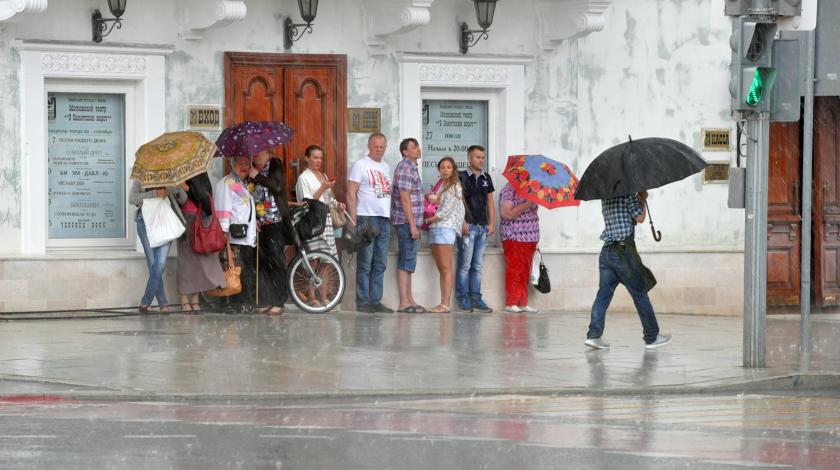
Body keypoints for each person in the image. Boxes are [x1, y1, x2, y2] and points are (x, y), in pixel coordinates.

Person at [585, 192, 672, 350]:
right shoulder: (628, 194)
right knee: (639, 292)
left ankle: (594, 335)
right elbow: (640, 218)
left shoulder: (606, 196)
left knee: (603, 295)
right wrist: (643, 200)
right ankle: (652, 337)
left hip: (606, 252)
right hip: (623, 253)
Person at [347, 133, 393, 313]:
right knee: (365, 261)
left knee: (380, 262)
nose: (379, 149)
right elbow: (351, 192)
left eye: (382, 146)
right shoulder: (360, 165)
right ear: (369, 146)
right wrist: (353, 217)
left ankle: (376, 301)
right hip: (366, 217)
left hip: (384, 218)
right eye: (375, 146)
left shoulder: (386, 166)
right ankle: (363, 300)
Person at [295, 144, 345, 307]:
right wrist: (323, 187)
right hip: (313, 222)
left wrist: (338, 205)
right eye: (315, 158)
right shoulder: (304, 177)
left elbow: (328, 198)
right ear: (307, 159)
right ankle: (312, 297)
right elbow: (306, 202)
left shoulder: (322, 174)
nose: (318, 161)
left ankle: (323, 297)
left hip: (326, 220)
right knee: (313, 260)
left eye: (320, 158)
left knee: (326, 260)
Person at [129, 181, 187, 314]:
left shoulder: (170, 177)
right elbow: (132, 199)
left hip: (165, 222)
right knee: (153, 263)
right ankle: (163, 303)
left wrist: (178, 187)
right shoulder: (141, 177)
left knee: (159, 264)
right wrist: (155, 193)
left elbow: (183, 199)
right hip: (145, 222)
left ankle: (145, 301)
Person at [250, 149, 293, 315]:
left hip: (275, 222)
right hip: (260, 224)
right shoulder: (252, 169)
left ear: (267, 152)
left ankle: (279, 301)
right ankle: (266, 300)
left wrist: (257, 177)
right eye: (254, 152)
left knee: (276, 261)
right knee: (263, 263)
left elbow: (277, 186)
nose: (255, 155)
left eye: (259, 152)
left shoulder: (274, 164)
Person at [176, 173, 226, 312]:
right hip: (184, 220)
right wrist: (180, 189)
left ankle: (196, 299)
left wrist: (188, 188)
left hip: (201, 220)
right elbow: (177, 200)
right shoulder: (177, 174)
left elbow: (205, 197)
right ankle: (184, 298)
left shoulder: (200, 172)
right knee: (185, 261)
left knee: (198, 262)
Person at [214, 156, 258, 313]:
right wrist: (223, 231)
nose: (244, 167)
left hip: (244, 236)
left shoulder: (239, 183)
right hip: (233, 236)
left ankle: (241, 302)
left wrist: (254, 222)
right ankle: (232, 303)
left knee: (240, 270)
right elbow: (223, 208)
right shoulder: (227, 183)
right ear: (232, 165)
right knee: (233, 270)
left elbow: (243, 208)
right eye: (240, 164)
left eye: (247, 164)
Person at [456, 145, 495, 313]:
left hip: (482, 228)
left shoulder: (487, 178)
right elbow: (459, 200)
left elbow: (490, 201)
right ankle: (463, 298)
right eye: (478, 157)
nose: (481, 160)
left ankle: (476, 298)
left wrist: (491, 223)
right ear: (469, 158)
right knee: (464, 265)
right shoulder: (462, 177)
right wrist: (463, 222)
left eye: (483, 157)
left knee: (477, 266)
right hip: (469, 226)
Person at [424, 157, 465, 313]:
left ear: (453, 169)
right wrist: (430, 198)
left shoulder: (455, 187)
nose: (445, 170)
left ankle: (445, 304)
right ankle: (443, 303)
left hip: (445, 228)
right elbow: (437, 203)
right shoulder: (440, 185)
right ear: (439, 169)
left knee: (446, 268)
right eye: (442, 167)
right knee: (441, 268)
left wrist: (428, 219)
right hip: (435, 228)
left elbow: (446, 211)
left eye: (448, 167)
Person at [391, 137, 425, 313]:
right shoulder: (405, 168)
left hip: (411, 222)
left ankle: (410, 300)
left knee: (409, 260)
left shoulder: (411, 167)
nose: (418, 149)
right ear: (405, 151)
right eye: (414, 147)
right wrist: (412, 224)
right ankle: (404, 302)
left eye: (418, 146)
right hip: (406, 222)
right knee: (405, 260)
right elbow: (405, 198)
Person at [499, 182, 539, 313]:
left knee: (525, 271)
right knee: (515, 269)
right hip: (515, 235)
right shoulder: (510, 189)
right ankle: (511, 303)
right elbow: (506, 214)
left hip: (530, 237)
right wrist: (527, 204)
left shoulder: (533, 189)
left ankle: (522, 302)